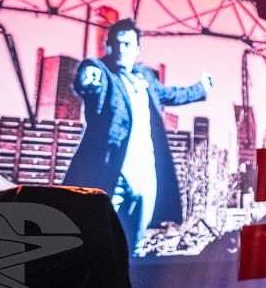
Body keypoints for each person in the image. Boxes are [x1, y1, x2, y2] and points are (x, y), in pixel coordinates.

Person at [63, 18, 214, 255]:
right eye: (116, 44)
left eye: (127, 45)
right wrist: (87, 78)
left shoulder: (144, 76)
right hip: (114, 170)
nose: (121, 49)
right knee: (102, 235)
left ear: (137, 49)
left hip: (145, 173)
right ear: (108, 46)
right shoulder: (102, 70)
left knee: (136, 241)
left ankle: (131, 273)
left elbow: (170, 94)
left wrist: (201, 88)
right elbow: (88, 78)